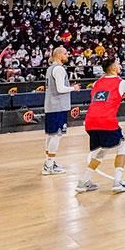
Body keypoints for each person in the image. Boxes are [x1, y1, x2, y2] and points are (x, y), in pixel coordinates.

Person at [76, 57, 125, 193]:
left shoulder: (96, 83)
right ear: (113, 68)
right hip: (106, 121)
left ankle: (83, 182)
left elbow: (103, 101)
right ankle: (117, 182)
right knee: (121, 147)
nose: (120, 66)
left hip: (90, 121)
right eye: (118, 64)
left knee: (100, 153)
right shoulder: (122, 83)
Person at [42, 46, 80, 175]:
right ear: (58, 55)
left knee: (51, 135)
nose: (67, 55)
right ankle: (48, 166)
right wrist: (73, 88)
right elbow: (60, 89)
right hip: (57, 106)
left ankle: (49, 162)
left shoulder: (50, 68)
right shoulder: (59, 69)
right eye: (65, 53)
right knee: (56, 135)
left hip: (51, 106)